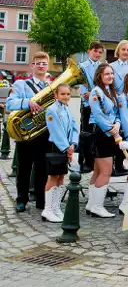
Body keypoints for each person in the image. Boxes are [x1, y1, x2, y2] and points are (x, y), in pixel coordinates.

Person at [6, 52, 52, 212]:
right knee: (23, 168)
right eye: (38, 63)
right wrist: (27, 102)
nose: (41, 66)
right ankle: (21, 200)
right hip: (25, 134)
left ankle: (41, 200)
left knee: (42, 168)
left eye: (44, 63)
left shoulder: (51, 87)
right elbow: (9, 104)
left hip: (44, 133)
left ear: (48, 66)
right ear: (32, 66)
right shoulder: (21, 85)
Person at [87, 63, 128, 218]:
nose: (110, 77)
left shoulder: (111, 91)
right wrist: (111, 129)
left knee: (98, 171)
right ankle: (97, 206)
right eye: (107, 74)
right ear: (99, 75)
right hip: (101, 133)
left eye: (111, 74)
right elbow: (98, 114)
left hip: (110, 132)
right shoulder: (96, 91)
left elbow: (116, 112)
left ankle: (91, 204)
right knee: (105, 171)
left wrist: (118, 123)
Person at [42, 83, 78, 222]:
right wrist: (66, 148)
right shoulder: (52, 110)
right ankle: (48, 209)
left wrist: (73, 144)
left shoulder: (67, 109)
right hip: (56, 147)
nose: (66, 96)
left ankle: (56, 207)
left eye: (68, 94)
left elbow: (75, 126)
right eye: (62, 94)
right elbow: (56, 131)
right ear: (56, 95)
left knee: (61, 177)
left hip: (67, 147)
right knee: (53, 177)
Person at [78, 41, 105, 173]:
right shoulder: (82, 66)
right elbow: (80, 82)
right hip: (87, 103)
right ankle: (84, 161)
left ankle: (95, 159)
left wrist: (96, 93)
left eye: (100, 52)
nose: (97, 54)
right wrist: (85, 94)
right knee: (86, 132)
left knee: (97, 133)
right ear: (89, 51)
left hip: (99, 103)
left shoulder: (103, 66)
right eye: (95, 51)